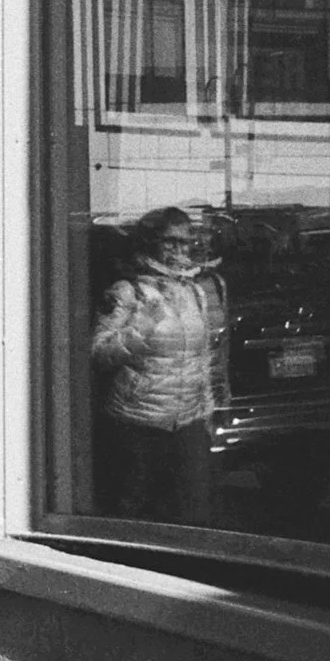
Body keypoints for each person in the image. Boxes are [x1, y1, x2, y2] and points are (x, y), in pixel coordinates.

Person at [90, 207, 228, 526]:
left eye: (184, 243)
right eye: (169, 242)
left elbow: (203, 358)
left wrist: (208, 410)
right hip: (138, 422)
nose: (178, 250)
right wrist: (142, 324)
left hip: (188, 421)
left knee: (193, 510)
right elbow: (99, 353)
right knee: (135, 509)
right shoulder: (129, 292)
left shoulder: (196, 292)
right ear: (151, 244)